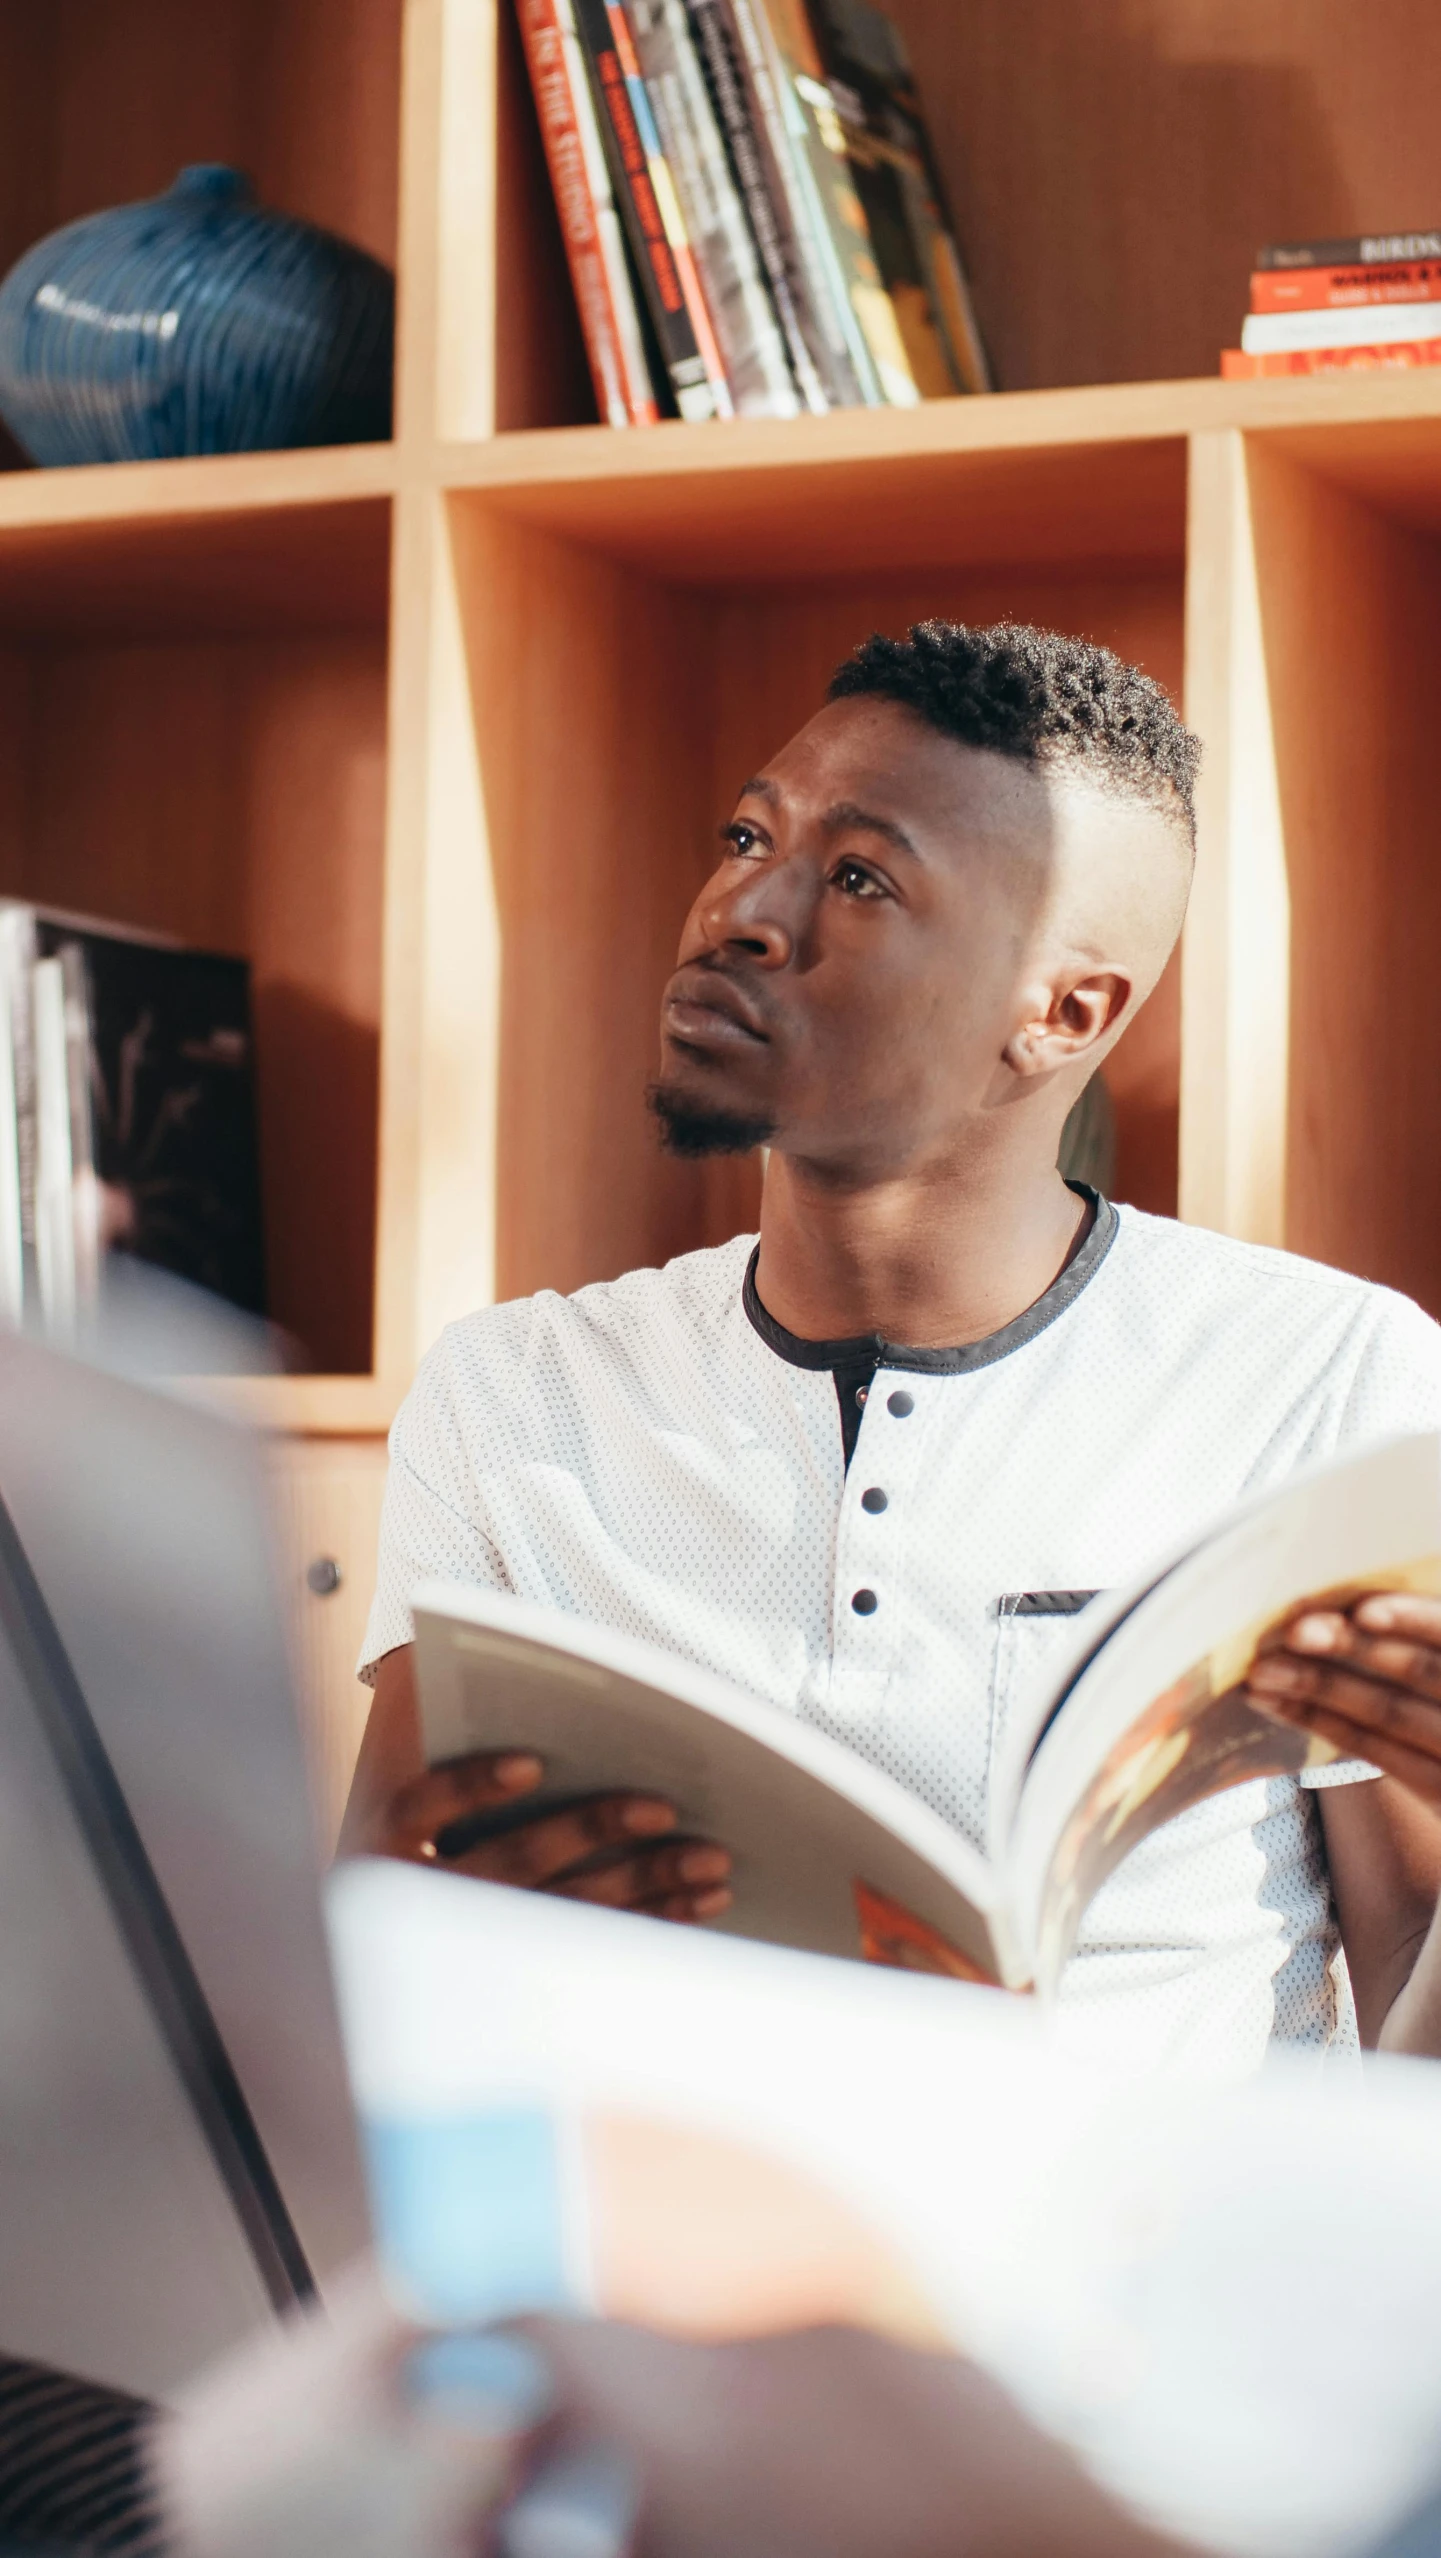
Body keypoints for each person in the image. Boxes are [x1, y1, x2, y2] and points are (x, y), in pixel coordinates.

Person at [342, 616, 1441, 2071]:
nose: (743, 906)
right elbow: (360, 1960)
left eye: (860, 876)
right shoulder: (511, 1396)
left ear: (1060, 1013)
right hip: (659, 2259)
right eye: (749, 832)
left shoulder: (1329, 1376)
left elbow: (1409, 2029)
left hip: (1141, 2268)